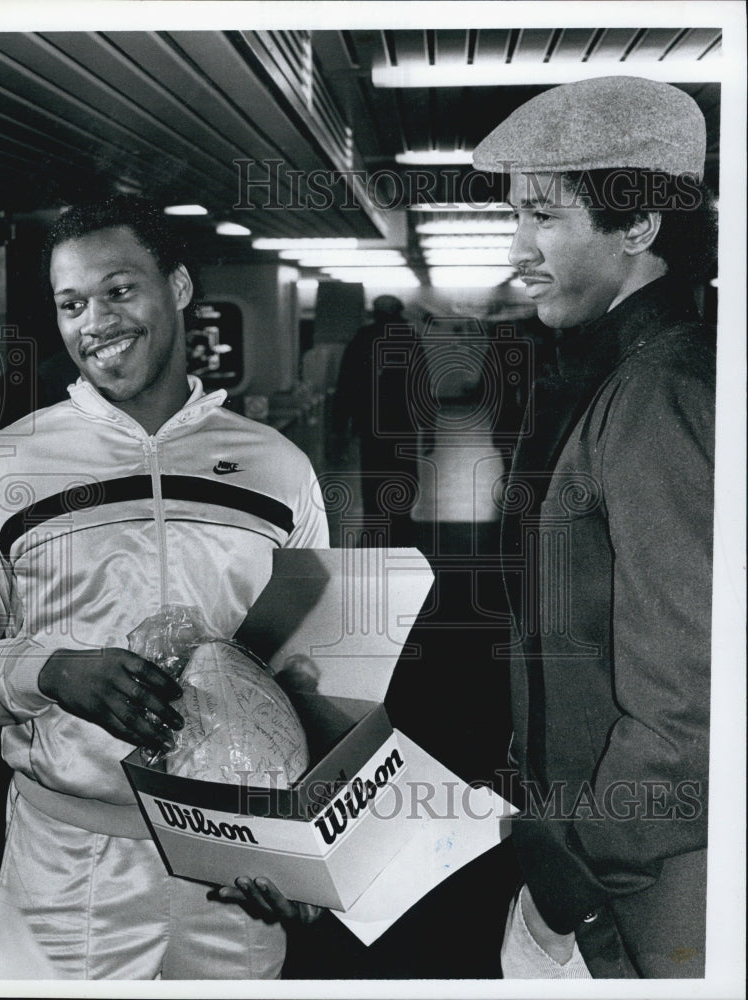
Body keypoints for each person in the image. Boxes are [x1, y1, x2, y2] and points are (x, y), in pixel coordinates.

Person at [0, 195, 329, 979]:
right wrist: (50, 671)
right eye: (71, 304)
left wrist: (305, 834)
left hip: (237, 862)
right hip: (71, 866)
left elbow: (317, 670)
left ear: (176, 287)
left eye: (118, 290)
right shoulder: (1, 468)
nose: (94, 321)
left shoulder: (276, 465)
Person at [471, 76, 717, 978]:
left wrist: (583, 863)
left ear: (638, 226)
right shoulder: (610, 376)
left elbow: (689, 699)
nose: (516, 248)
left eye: (543, 216)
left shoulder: (663, 393)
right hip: (575, 865)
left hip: (640, 896)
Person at [330, 294, 436, 545]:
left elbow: (345, 386)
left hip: (370, 423)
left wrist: (340, 426)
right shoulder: (410, 339)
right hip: (403, 423)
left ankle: (375, 524)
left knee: (374, 473)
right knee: (404, 471)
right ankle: (402, 521)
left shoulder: (362, 340)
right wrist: (429, 426)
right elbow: (421, 386)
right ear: (399, 312)